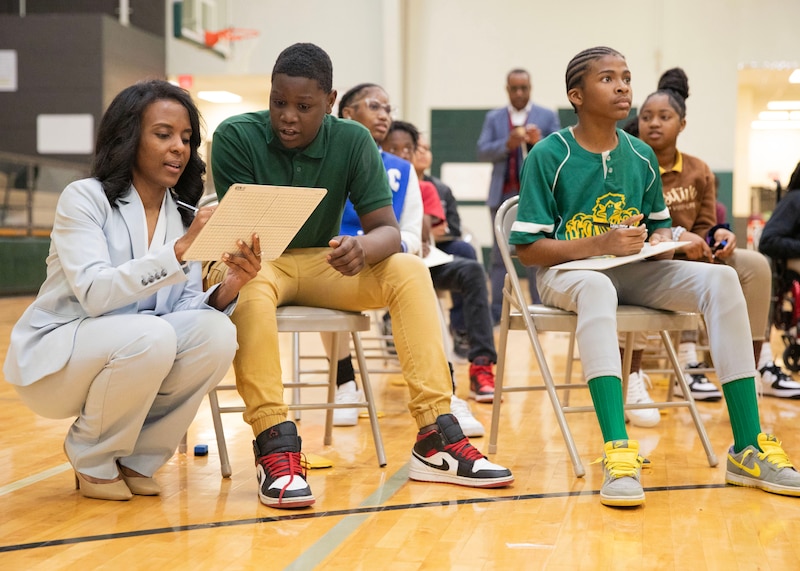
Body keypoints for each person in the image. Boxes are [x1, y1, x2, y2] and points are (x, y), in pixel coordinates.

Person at [205, 43, 513, 509]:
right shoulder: (235, 135)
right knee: (250, 278)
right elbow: (240, 238)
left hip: (322, 265)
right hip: (255, 260)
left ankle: (436, 437)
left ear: (330, 103)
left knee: (408, 268)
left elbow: (388, 231)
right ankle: (276, 447)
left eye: (304, 107)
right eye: (278, 102)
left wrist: (363, 248)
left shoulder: (352, 140)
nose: (288, 116)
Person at [509, 46, 800, 507]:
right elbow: (527, 250)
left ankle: (747, 446)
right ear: (577, 95)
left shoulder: (641, 155)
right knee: (598, 285)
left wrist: (671, 242)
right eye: (608, 79)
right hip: (566, 274)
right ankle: (617, 451)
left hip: (632, 271)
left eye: (626, 77)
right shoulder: (549, 153)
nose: (623, 86)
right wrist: (600, 245)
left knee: (723, 280)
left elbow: (658, 229)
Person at [2, 79, 260, 501]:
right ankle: (89, 452)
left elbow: (182, 309)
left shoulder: (181, 215)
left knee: (217, 334)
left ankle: (137, 457)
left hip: (136, 354)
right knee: (152, 334)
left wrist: (228, 288)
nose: (178, 147)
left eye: (186, 138)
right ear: (127, 137)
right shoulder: (83, 199)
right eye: (163, 134)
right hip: (57, 362)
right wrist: (178, 253)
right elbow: (95, 292)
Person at [619, 68, 798, 421]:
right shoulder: (629, 166)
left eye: (664, 117)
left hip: (694, 256)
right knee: (648, 268)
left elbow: (705, 226)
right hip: (647, 258)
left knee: (757, 266)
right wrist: (673, 237)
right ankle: (636, 373)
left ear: (681, 124)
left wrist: (721, 235)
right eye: (646, 117)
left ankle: (753, 366)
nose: (654, 123)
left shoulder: (700, 170)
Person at [330, 83, 483, 436]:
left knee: (416, 274)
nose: (385, 114)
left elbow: (413, 235)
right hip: (335, 263)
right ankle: (344, 385)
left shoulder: (402, 168)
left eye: (388, 108)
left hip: (387, 261)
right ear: (348, 113)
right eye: (374, 106)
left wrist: (374, 249)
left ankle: (446, 394)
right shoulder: (327, 162)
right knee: (326, 268)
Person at [385, 120, 499, 406]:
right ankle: (440, 379)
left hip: (425, 261)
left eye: (408, 149)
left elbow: (432, 231)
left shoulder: (426, 188)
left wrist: (421, 226)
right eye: (393, 149)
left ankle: (481, 365)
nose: (402, 155)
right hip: (386, 269)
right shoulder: (371, 182)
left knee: (471, 268)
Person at [477, 68, 561, 323]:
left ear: (530, 88)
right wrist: (507, 144)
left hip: (536, 195)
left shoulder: (547, 116)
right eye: (514, 88)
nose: (519, 93)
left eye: (524, 88)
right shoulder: (494, 118)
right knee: (499, 256)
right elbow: (482, 151)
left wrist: (539, 141)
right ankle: (496, 313)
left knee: (538, 251)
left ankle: (540, 308)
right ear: (507, 89)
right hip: (501, 194)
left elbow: (559, 151)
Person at [413, 134, 479, 360]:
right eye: (417, 147)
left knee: (465, 251)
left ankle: (461, 328)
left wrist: (430, 233)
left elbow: (453, 227)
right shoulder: (396, 182)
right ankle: (390, 320)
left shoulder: (441, 189)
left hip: (438, 248)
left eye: (427, 148)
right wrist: (423, 232)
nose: (423, 152)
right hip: (407, 247)